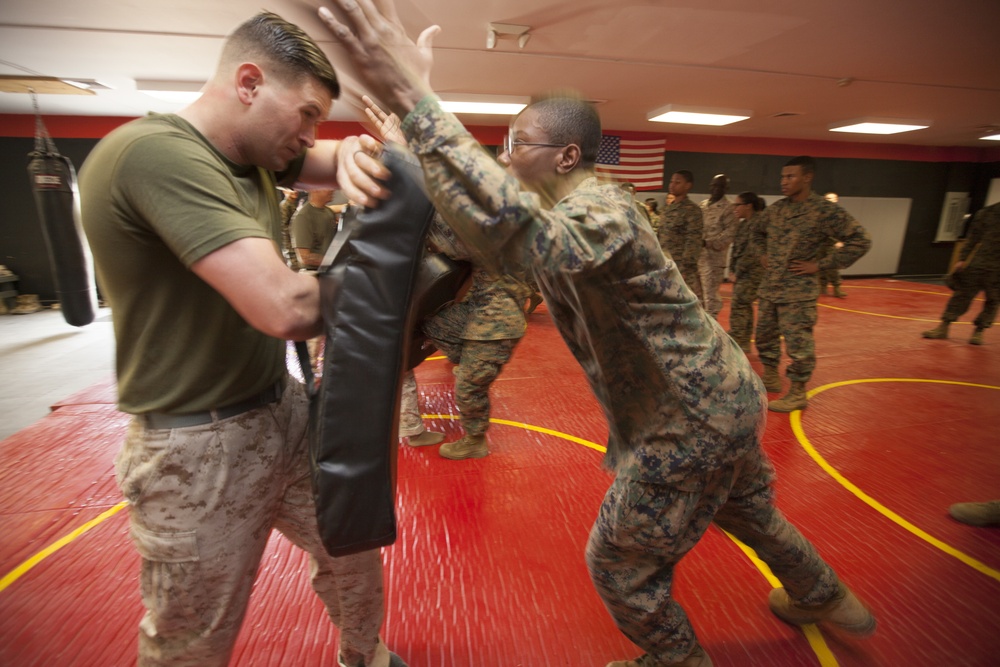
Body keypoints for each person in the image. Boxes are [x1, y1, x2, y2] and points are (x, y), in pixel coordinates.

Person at [325, 7, 877, 666]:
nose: (506, 153)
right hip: (722, 401)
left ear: (565, 154)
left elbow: (524, 234)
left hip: (690, 418)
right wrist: (414, 150)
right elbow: (483, 228)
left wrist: (422, 107)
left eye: (519, 143)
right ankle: (821, 590)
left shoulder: (605, 210)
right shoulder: (565, 211)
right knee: (747, 510)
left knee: (618, 564)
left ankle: (677, 659)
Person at [79, 12, 405, 667]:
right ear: (249, 83)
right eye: (307, 113)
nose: (310, 135)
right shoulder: (153, 154)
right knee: (192, 641)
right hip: (196, 447)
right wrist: (401, 284)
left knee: (351, 549)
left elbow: (332, 160)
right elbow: (284, 306)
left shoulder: (259, 155)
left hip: (277, 408)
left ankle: (363, 654)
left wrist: (349, 154)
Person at [752, 156, 871, 412]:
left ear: (807, 177)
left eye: (790, 177)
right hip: (771, 287)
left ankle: (797, 392)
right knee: (764, 336)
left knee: (798, 343)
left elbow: (860, 240)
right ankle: (771, 376)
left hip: (798, 291)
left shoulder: (825, 211)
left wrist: (821, 265)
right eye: (783, 177)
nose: (784, 182)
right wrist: (761, 253)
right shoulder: (777, 209)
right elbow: (756, 232)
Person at [922, 201, 999, 345]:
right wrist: (962, 259)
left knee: (993, 300)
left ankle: (979, 331)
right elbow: (973, 238)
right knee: (961, 295)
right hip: (979, 263)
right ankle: (943, 327)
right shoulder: (987, 213)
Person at [727, 191, 767, 353]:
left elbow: (752, 253)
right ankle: (742, 339)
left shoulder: (759, 224)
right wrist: (731, 268)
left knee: (739, 305)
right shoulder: (743, 224)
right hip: (742, 272)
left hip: (752, 273)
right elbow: (737, 249)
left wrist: (738, 271)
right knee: (744, 306)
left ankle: (739, 338)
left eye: (738, 205)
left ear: (748, 206)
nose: (735, 208)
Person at [657, 170, 704, 297]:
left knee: (682, 302)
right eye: (671, 181)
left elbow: (693, 241)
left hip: (680, 268)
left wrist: (685, 270)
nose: (672, 185)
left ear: (688, 186)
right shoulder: (667, 209)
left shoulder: (692, 210)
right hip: (664, 265)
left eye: (678, 182)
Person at [697, 175, 738, 318]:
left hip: (714, 260)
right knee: (696, 296)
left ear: (726, 189)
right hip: (697, 258)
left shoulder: (729, 208)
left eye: (719, 186)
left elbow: (730, 234)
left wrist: (708, 242)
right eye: (713, 185)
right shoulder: (702, 205)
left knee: (710, 299)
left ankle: (712, 332)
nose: (715, 189)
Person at [292, 187, 338, 269]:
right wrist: (334, 261)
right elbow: (304, 257)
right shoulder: (303, 216)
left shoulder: (329, 212)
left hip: (330, 272)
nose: (332, 190)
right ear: (314, 189)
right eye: (327, 186)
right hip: (314, 273)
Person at [817, 192, 847, 298]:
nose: (830, 200)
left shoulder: (839, 214)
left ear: (836, 200)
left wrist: (839, 241)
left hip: (831, 245)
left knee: (832, 266)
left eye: (832, 198)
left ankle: (836, 287)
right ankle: (822, 286)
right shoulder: (820, 213)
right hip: (820, 243)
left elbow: (843, 229)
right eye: (827, 198)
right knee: (820, 266)